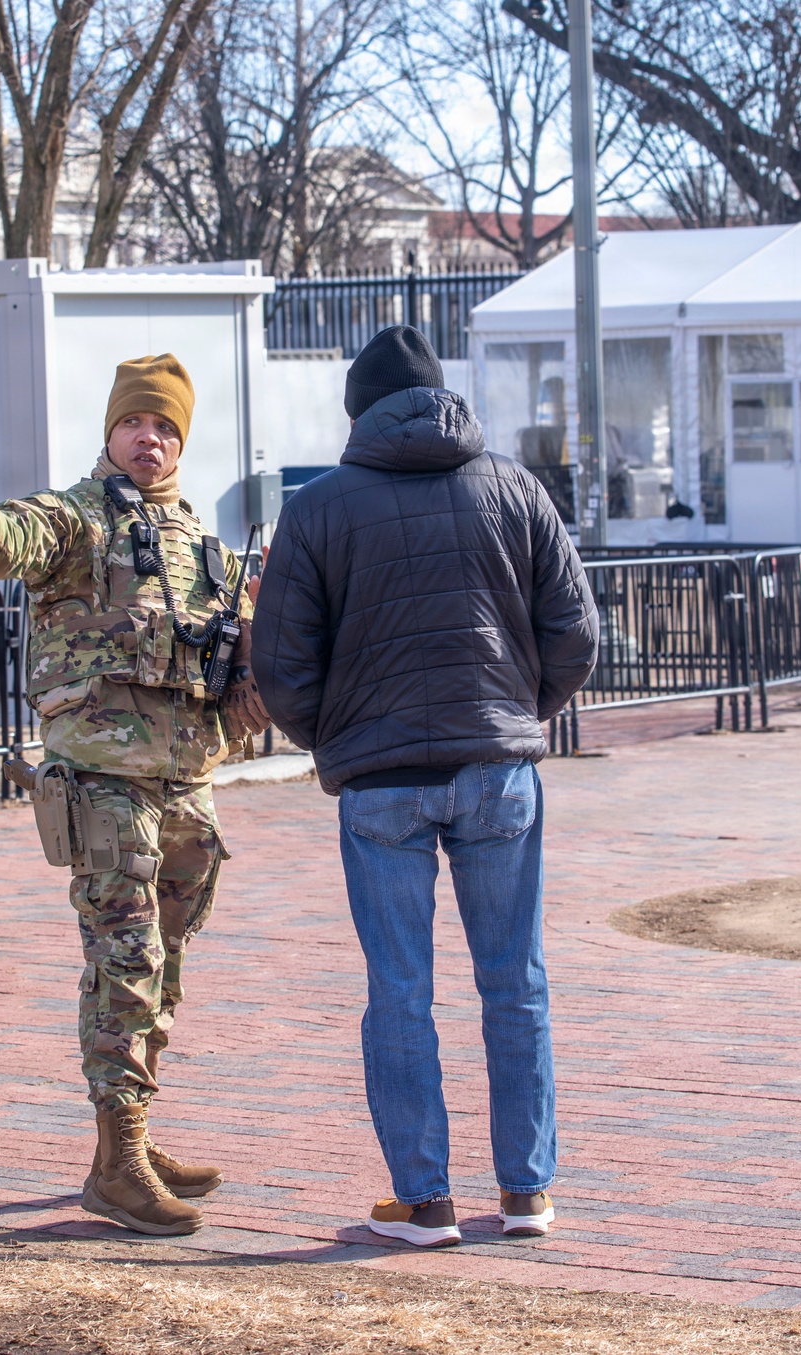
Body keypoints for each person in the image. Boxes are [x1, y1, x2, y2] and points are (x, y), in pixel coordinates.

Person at [0, 354, 269, 1238]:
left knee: (164, 965)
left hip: (187, 782)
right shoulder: (77, 518)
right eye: (139, 422)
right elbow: (5, 539)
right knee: (125, 960)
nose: (153, 437)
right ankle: (118, 1162)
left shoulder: (200, 542)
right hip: (105, 781)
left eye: (168, 426)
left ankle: (133, 1130)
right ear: (111, 431)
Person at [251, 326, 598, 1248]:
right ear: (443, 397)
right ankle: (528, 1189)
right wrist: (519, 712)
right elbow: (576, 633)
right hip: (499, 770)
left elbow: (280, 664)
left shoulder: (318, 508)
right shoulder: (516, 488)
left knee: (399, 989)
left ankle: (425, 1198)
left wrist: (335, 738)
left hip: (381, 782)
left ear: (358, 410)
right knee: (515, 979)